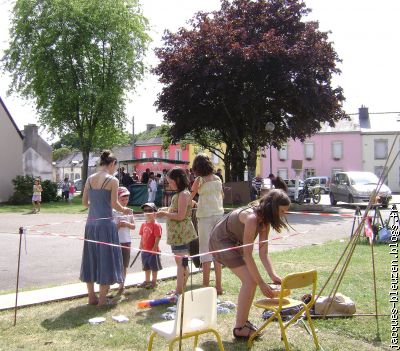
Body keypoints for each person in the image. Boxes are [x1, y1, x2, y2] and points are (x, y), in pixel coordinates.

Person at [209, 189, 290, 339]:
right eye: (282, 211)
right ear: (273, 208)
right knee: (250, 281)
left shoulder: (265, 221)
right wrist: (261, 283)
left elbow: (263, 253)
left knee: (250, 281)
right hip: (221, 242)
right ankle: (239, 328)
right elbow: (248, 254)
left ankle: (243, 323)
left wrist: (273, 275)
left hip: (234, 243)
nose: (283, 215)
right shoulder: (252, 218)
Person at [80, 150, 133, 306]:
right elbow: (114, 204)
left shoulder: (89, 179)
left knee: (90, 257)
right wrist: (125, 211)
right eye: (115, 166)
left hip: (91, 223)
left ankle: (91, 297)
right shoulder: (112, 180)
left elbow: (84, 203)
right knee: (106, 258)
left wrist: (95, 205)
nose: (116, 169)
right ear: (112, 164)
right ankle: (103, 299)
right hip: (105, 224)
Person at [156, 168, 197, 295]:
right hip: (177, 234)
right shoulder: (180, 195)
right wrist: (166, 209)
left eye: (170, 182)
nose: (169, 184)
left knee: (181, 264)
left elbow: (180, 216)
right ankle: (180, 289)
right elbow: (176, 210)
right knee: (181, 263)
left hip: (181, 234)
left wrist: (165, 213)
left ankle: (179, 291)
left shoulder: (183, 195)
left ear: (178, 180)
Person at [190, 154, 224, 294]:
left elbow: (189, 197)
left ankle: (205, 286)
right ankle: (218, 286)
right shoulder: (217, 178)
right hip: (218, 215)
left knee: (205, 250)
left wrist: (195, 203)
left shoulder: (199, 180)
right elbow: (222, 196)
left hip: (204, 217)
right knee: (217, 251)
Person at [113, 186, 136, 295]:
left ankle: (122, 285)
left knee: (124, 264)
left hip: (126, 241)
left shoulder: (129, 211)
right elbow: (111, 229)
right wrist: (117, 226)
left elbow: (133, 226)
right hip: (115, 241)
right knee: (114, 263)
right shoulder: (113, 212)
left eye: (126, 199)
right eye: (122, 199)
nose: (125, 202)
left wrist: (126, 224)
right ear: (117, 199)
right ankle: (110, 283)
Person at [137, 202, 162, 289]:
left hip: (153, 251)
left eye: (150, 210)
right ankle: (147, 281)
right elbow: (142, 235)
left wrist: (155, 247)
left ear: (155, 213)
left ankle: (154, 282)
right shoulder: (143, 224)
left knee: (154, 267)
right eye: (145, 210)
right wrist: (141, 244)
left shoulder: (156, 225)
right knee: (146, 267)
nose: (147, 212)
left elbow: (157, 237)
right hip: (145, 250)